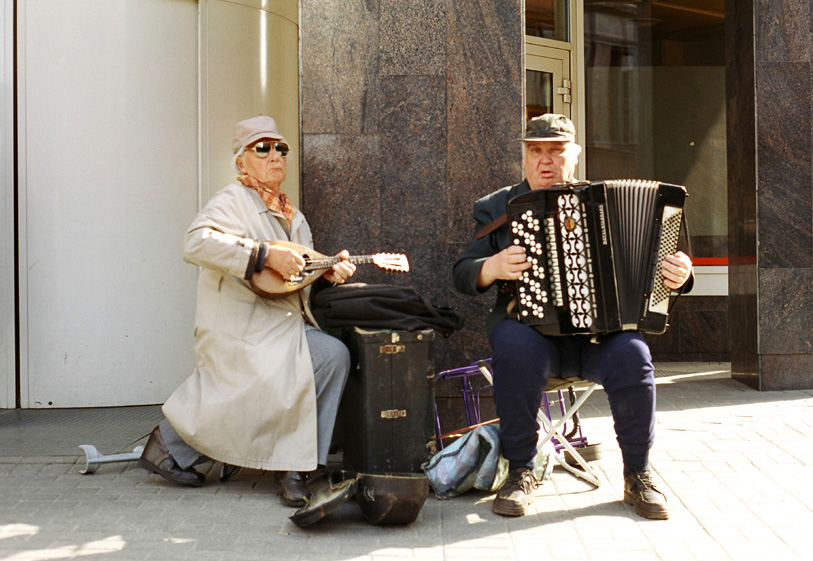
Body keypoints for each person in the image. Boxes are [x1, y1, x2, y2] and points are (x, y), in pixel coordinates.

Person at [452, 114, 693, 520]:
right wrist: (490, 267)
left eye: (556, 151)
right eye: (535, 152)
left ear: (575, 156)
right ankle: (521, 472)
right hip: (530, 334)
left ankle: (638, 475)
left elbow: (664, 264)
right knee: (513, 348)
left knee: (634, 354)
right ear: (524, 158)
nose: (545, 161)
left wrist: (682, 275)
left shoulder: (602, 199)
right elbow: (461, 273)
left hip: (598, 340)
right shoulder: (497, 207)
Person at [139, 115, 356, 508]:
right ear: (242, 162)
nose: (275, 155)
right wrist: (261, 253)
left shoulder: (294, 216)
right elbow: (195, 243)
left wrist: (327, 274)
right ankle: (174, 444)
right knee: (305, 365)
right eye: (263, 148)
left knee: (331, 357)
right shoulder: (232, 200)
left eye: (281, 148)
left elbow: (295, 275)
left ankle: (296, 465)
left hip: (283, 324)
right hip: (242, 327)